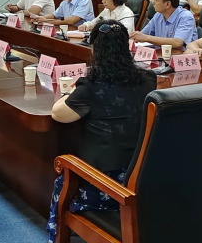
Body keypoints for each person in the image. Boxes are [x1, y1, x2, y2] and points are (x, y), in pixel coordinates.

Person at [47, 19, 157, 243]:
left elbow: (58, 114)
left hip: (106, 187)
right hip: (144, 180)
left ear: (95, 50)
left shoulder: (91, 86)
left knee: (63, 181)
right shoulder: (148, 80)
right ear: (127, 47)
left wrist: (70, 94)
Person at [129, 0, 197, 49]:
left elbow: (178, 42)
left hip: (180, 55)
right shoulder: (158, 15)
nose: (153, 2)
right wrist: (133, 36)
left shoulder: (186, 17)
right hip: (161, 54)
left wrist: (147, 38)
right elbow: (143, 34)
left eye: (156, 0)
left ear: (167, 4)